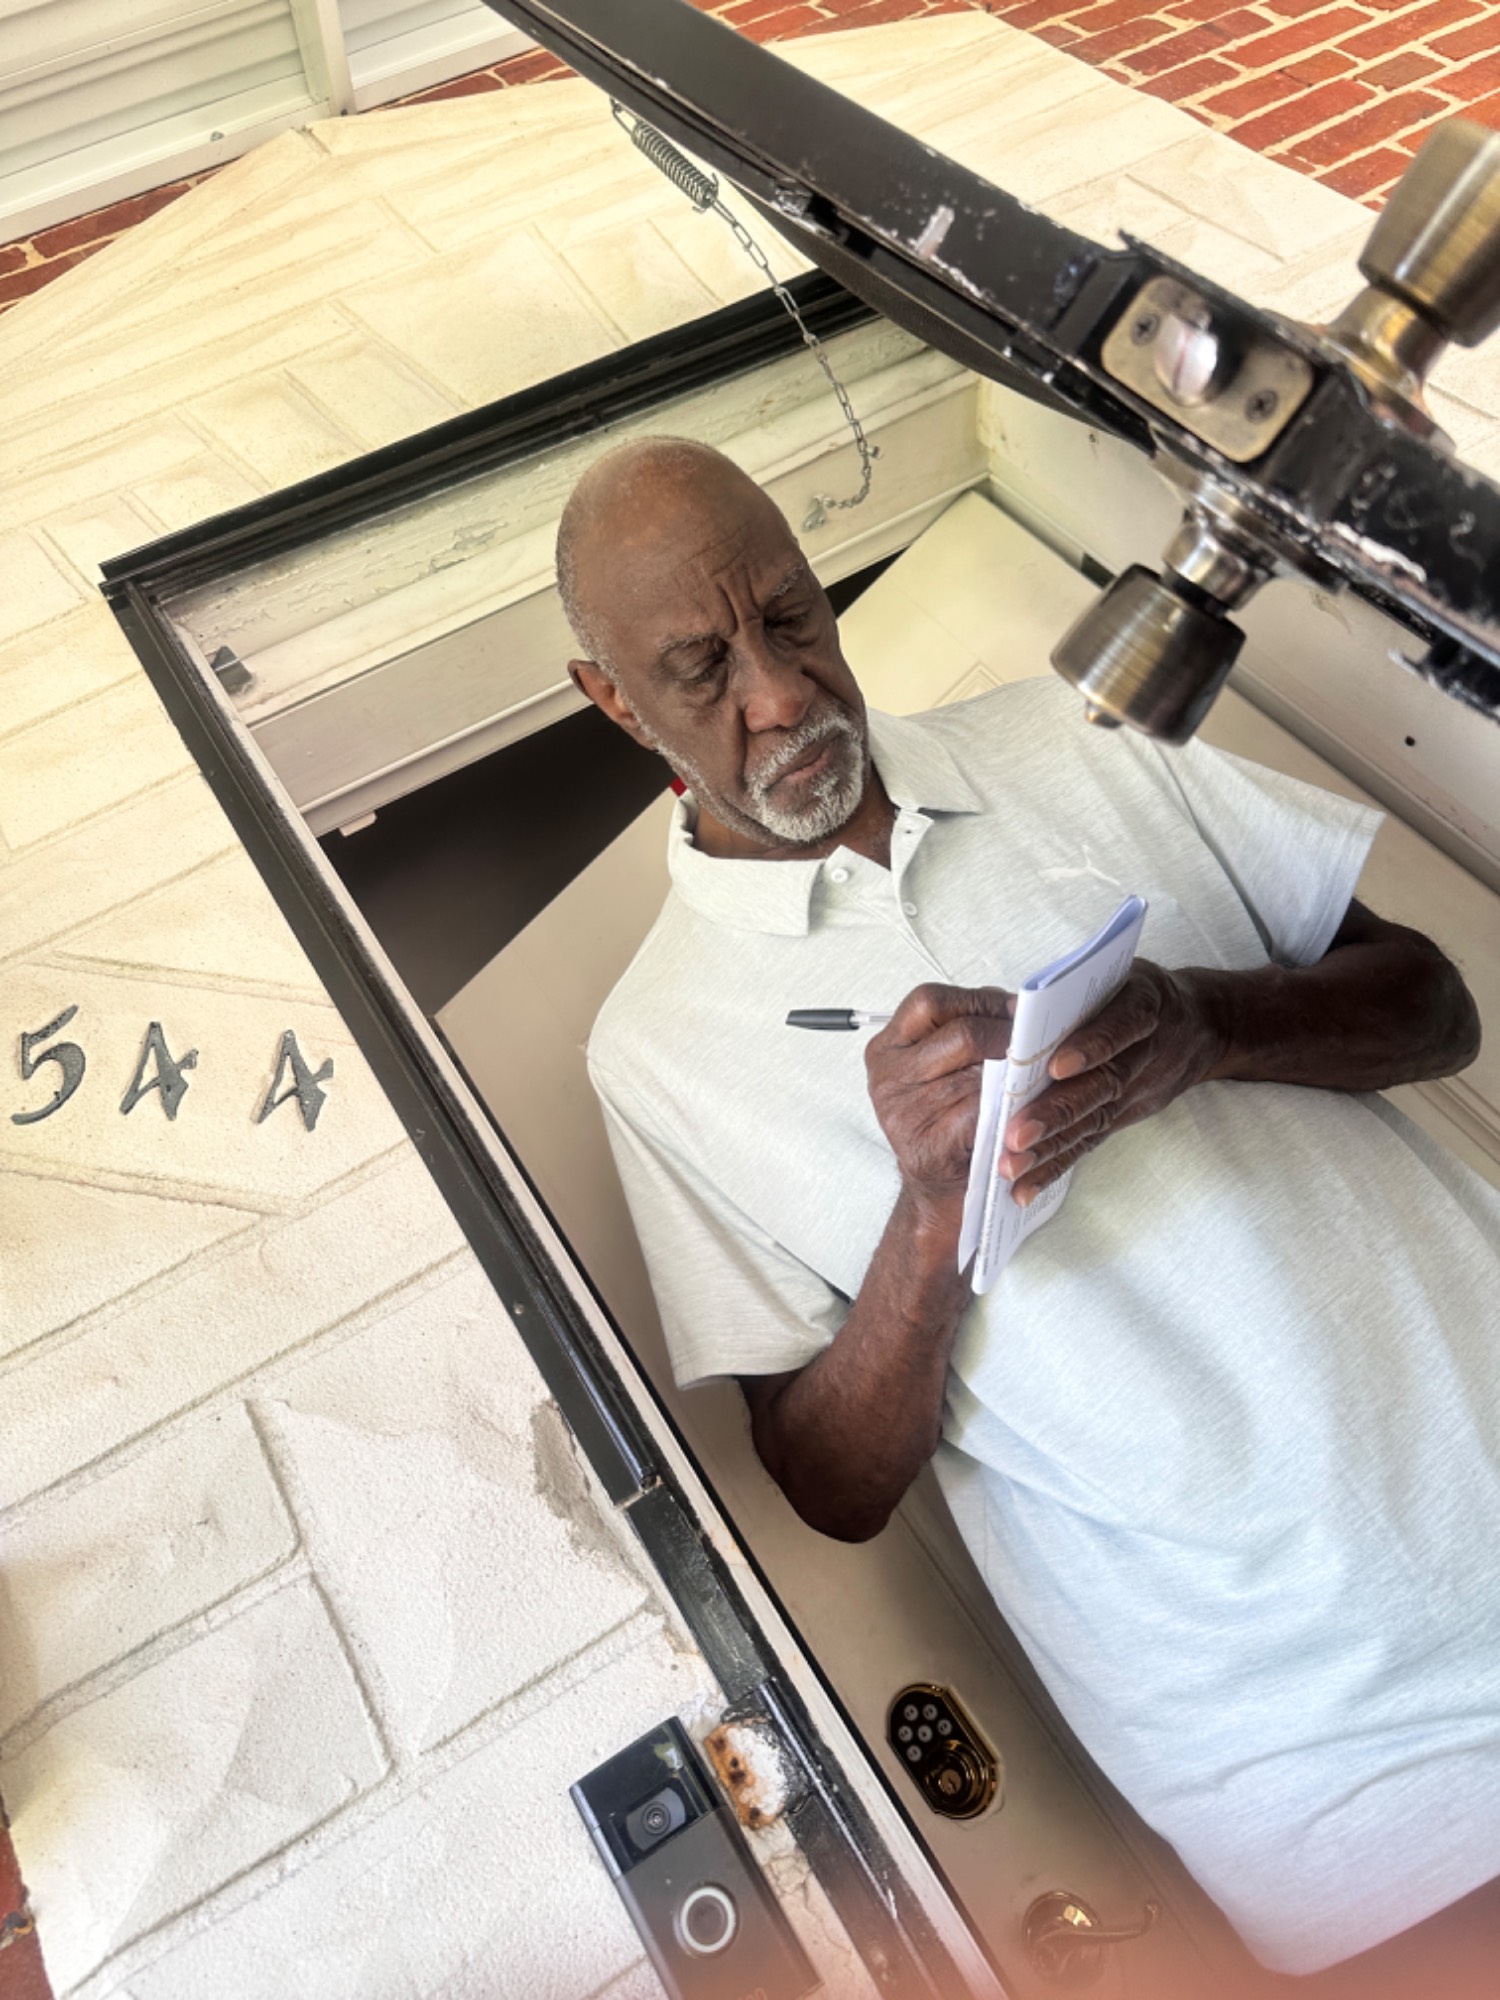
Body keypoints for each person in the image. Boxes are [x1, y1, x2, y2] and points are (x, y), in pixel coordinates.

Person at [557, 435, 1500, 1981]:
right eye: (702, 668)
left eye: (790, 618)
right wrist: (930, 1216)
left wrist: (1208, 1024)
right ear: (613, 700)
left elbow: (1434, 1008)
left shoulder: (1079, 730)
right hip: (1334, 1774)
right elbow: (827, 1480)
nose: (780, 696)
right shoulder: (655, 1050)